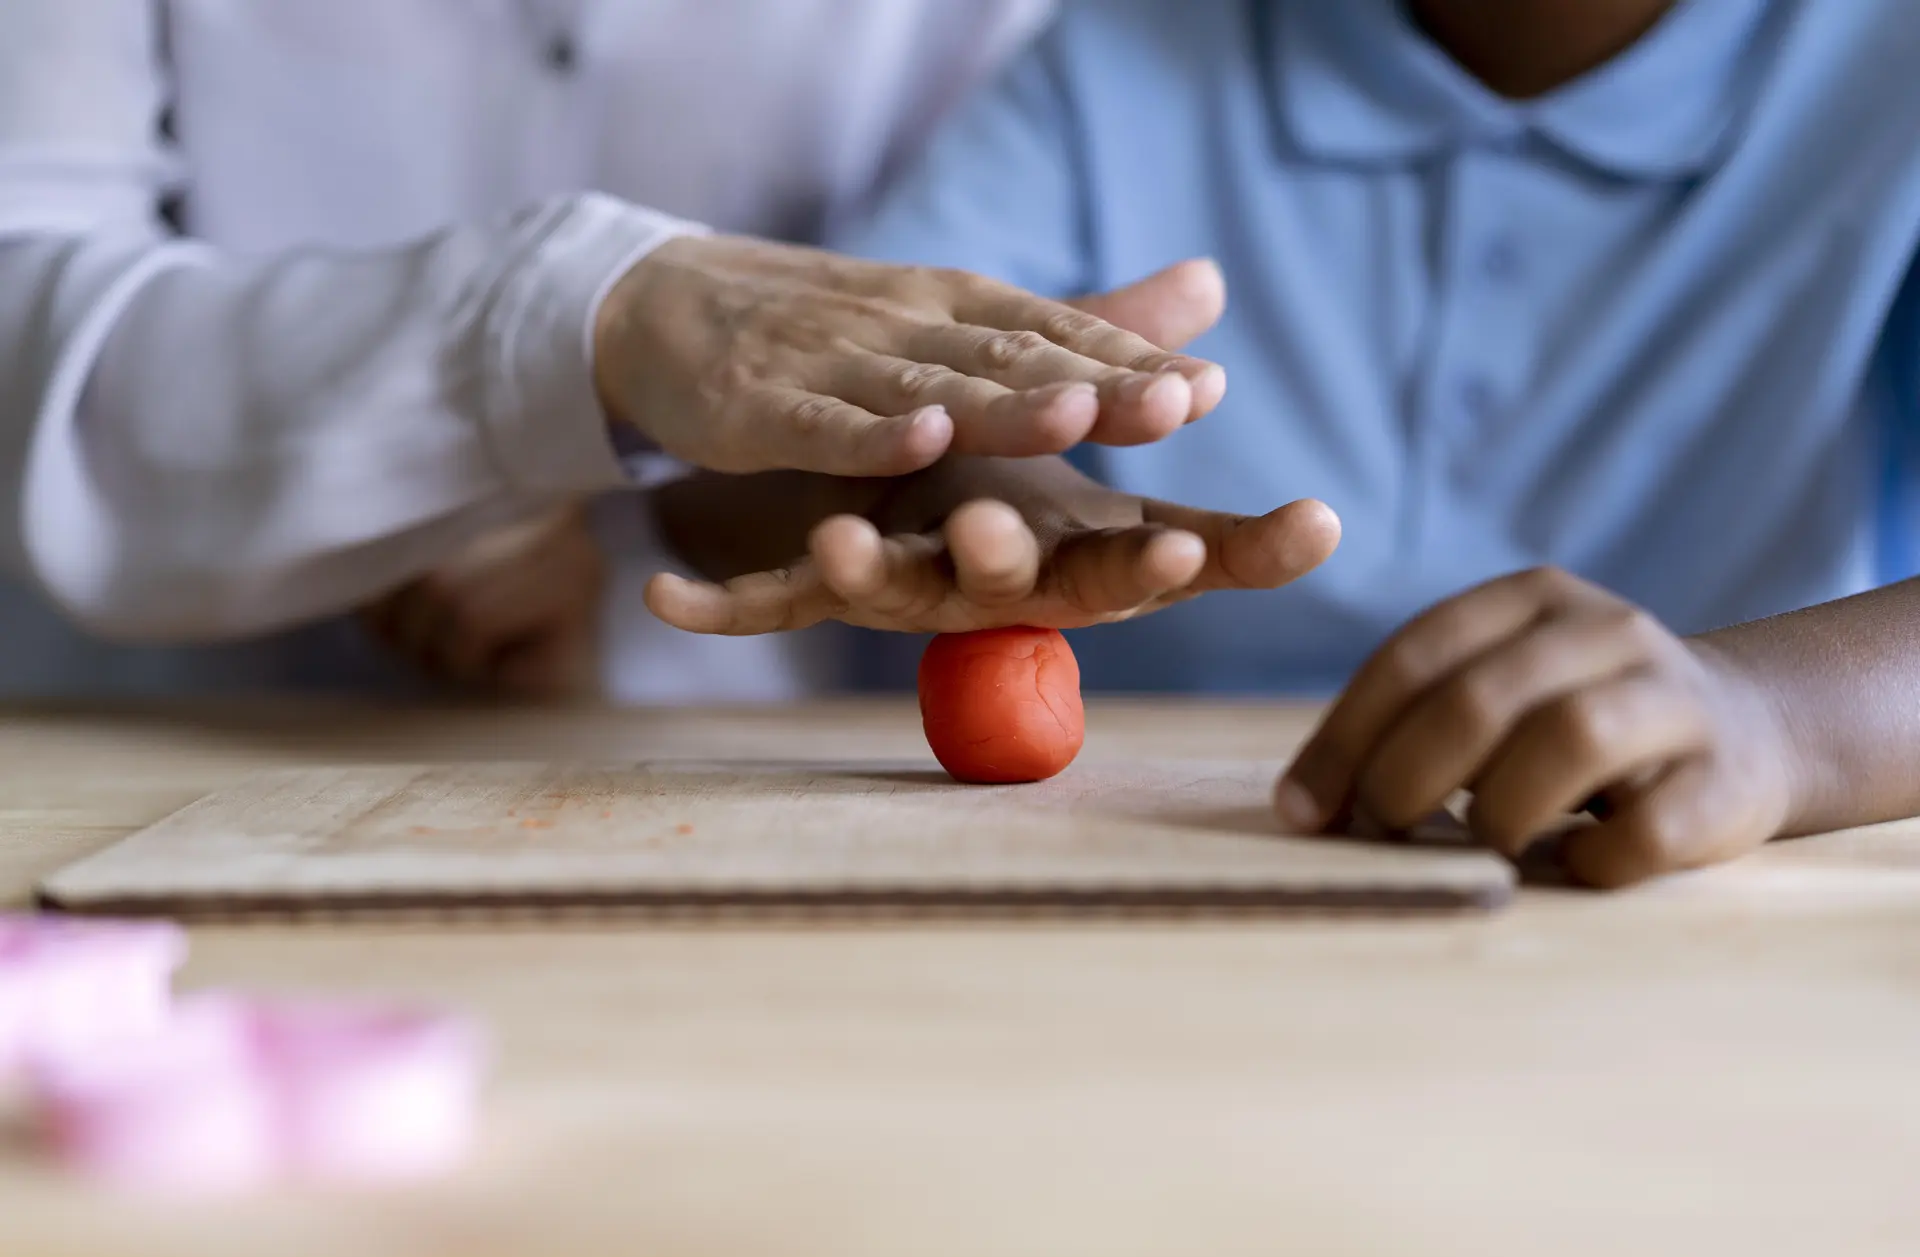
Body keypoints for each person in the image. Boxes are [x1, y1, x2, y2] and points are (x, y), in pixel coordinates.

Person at [646, 0, 1920, 886]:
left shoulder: (1885, 70)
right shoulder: (1122, 59)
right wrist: (980, 463)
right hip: (1120, 878)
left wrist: (1779, 719)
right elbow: (760, 443)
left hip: (1667, 892)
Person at [0, 0, 1299, 701]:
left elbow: (919, 335)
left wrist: (970, 462)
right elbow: (22, 310)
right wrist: (583, 328)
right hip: (140, 755)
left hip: (696, 772)